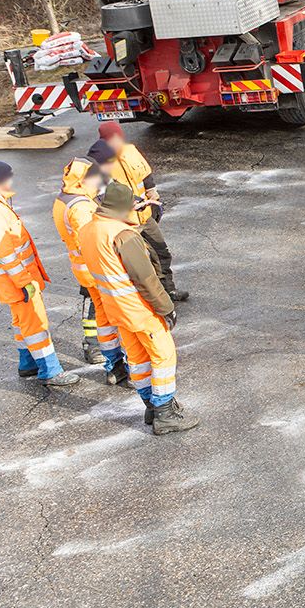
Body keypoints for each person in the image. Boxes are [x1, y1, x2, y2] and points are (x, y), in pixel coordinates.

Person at [79, 181, 196, 434]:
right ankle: (165, 413)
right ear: (123, 207)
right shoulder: (122, 235)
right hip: (139, 309)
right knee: (163, 355)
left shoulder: (88, 229)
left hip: (115, 309)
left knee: (138, 359)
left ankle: (151, 407)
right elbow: (145, 279)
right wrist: (166, 307)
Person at [0, 161, 78, 387]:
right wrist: (24, 281)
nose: (11, 181)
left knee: (21, 321)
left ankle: (27, 362)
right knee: (35, 323)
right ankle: (50, 371)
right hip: (17, 278)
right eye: (8, 177)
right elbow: (4, 252)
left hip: (10, 278)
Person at [95, 122, 188, 303]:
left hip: (144, 216)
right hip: (124, 223)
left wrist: (152, 191)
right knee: (140, 263)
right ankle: (151, 299)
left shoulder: (130, 150)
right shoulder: (100, 161)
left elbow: (145, 174)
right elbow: (101, 195)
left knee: (161, 253)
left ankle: (168, 290)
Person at [51, 157, 108, 367]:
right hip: (92, 264)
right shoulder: (80, 207)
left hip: (83, 264)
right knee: (96, 306)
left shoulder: (66, 198)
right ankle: (93, 345)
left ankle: (95, 343)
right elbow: (90, 238)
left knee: (94, 304)